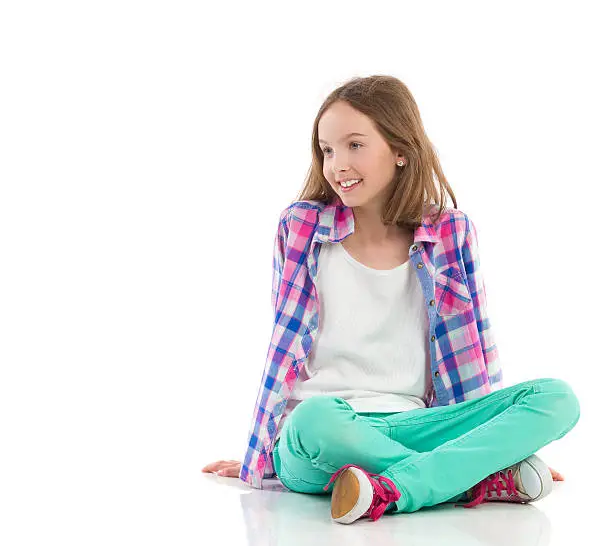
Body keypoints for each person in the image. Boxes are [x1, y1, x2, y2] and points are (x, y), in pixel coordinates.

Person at [202, 75, 580, 524]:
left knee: (557, 399)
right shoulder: (301, 228)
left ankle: (393, 486)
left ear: (401, 150)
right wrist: (258, 455)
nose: (337, 164)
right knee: (315, 419)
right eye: (327, 150)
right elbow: (282, 353)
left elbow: (475, 348)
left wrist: (495, 435)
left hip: (417, 426)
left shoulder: (450, 234)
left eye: (354, 145)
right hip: (322, 435)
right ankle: (467, 478)